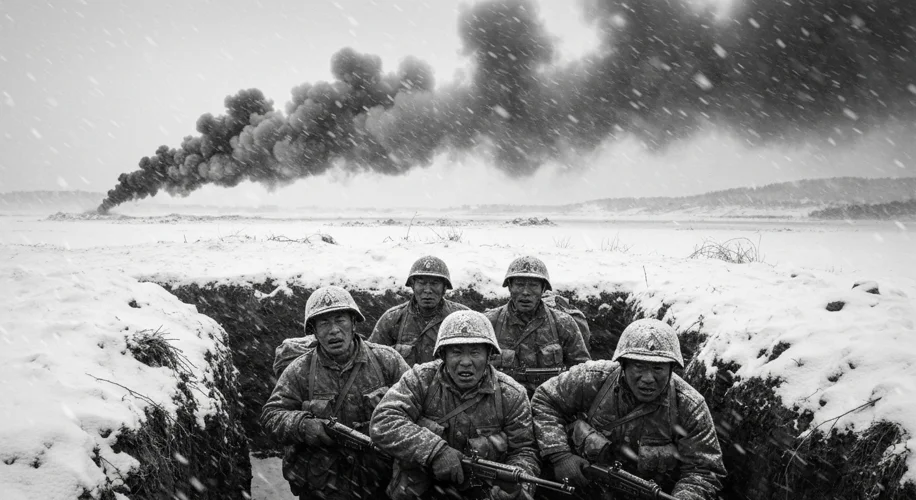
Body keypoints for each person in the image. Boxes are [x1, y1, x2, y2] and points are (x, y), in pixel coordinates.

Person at [531, 319, 726, 499]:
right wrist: (560, 455)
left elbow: (703, 471)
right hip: (585, 490)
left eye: (658, 368)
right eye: (639, 367)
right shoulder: (593, 378)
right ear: (623, 365)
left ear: (671, 369)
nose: (648, 378)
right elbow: (544, 399)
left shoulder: (689, 406)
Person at [370, 310, 540, 500]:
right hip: (417, 492)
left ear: (489, 355)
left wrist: (517, 486)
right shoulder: (420, 379)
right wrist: (435, 451)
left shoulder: (512, 395)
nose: (466, 362)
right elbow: (383, 421)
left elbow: (524, 451)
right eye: (456, 352)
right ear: (442, 355)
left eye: (475, 352)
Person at [261, 285, 410, 500]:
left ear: (353, 322)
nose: (333, 330)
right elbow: (271, 415)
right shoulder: (299, 370)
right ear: (313, 329)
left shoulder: (387, 361)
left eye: (340, 320)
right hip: (324, 487)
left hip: (380, 483)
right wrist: (302, 425)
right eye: (323, 323)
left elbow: (418, 407)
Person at [485, 256, 591, 395]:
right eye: (519, 284)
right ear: (510, 286)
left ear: (543, 289)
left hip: (551, 404)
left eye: (533, 285)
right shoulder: (489, 322)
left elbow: (581, 372)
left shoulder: (564, 323)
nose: (525, 292)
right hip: (503, 404)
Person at [370, 256, 469, 366]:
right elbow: (372, 361)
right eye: (421, 283)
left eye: (434, 284)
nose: (427, 290)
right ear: (413, 286)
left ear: (444, 288)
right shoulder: (392, 319)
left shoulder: (463, 317)